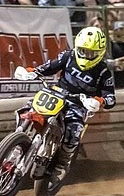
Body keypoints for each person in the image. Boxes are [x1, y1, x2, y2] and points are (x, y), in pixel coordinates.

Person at [28, 26, 115, 185]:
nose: (86, 55)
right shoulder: (68, 56)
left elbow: (110, 98)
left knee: (73, 132)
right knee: (28, 107)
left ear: (100, 52)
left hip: (78, 104)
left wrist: (99, 101)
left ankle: (62, 165)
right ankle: (20, 135)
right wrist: (33, 72)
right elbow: (49, 67)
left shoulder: (103, 71)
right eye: (83, 50)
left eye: (91, 53)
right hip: (56, 94)